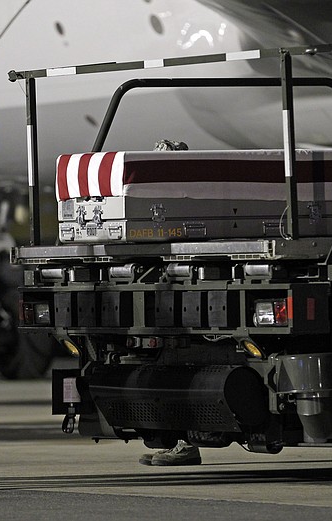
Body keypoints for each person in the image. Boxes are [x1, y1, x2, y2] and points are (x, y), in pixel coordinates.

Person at [138, 138, 202, 468]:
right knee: (170, 372)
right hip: (174, 297)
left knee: (180, 371)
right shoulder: (179, 199)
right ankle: (181, 441)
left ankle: (185, 443)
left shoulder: (185, 200)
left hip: (184, 301)